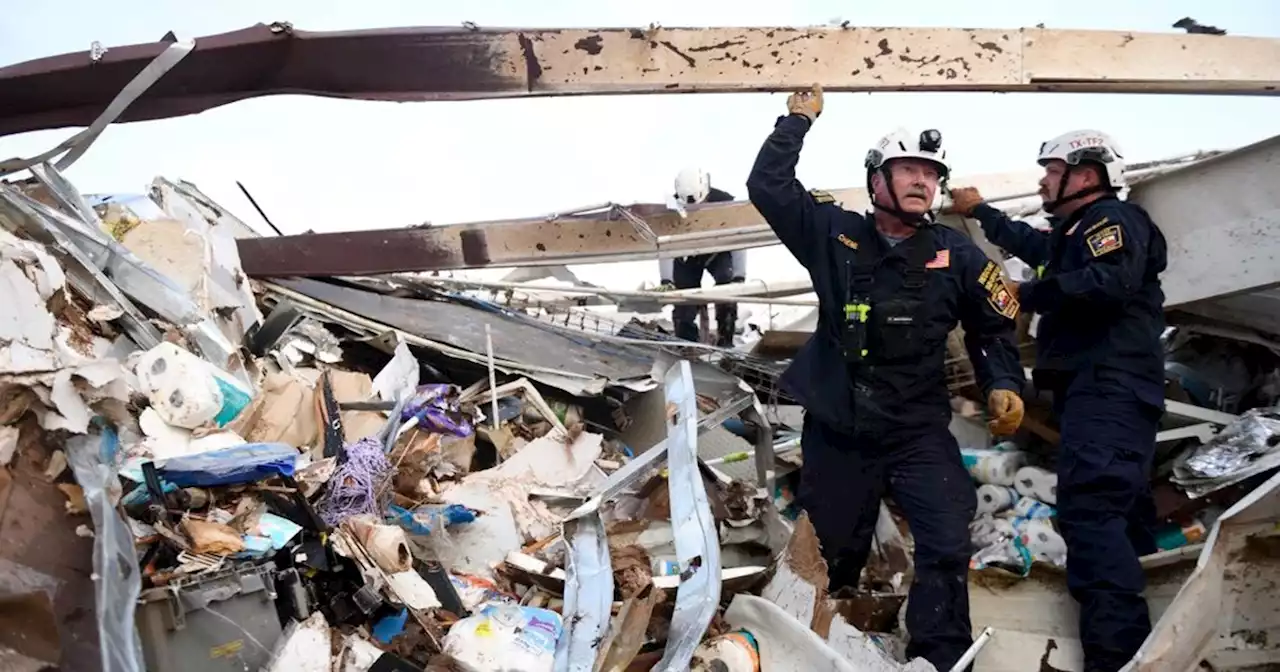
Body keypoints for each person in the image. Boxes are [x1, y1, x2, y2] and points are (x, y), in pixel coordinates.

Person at [746, 84, 1026, 671]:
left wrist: (1002, 380)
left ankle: (942, 658)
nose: (923, 181)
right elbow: (768, 188)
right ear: (877, 180)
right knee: (827, 557)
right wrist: (797, 120)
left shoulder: (959, 255)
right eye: (908, 169)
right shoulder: (835, 236)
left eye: (931, 172)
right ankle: (806, 649)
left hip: (916, 431)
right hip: (841, 429)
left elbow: (993, 328)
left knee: (948, 541)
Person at [947, 130, 1167, 672]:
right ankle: (1150, 645)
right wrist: (981, 213)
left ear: (1085, 175)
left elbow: (1105, 282)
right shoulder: (1076, 233)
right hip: (1099, 391)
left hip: (1109, 386)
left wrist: (1030, 293)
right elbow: (1039, 247)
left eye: (1051, 170)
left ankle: (1115, 658)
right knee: (1119, 516)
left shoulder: (1114, 221)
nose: (1043, 180)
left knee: (1090, 512)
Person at [657, 167, 747, 346]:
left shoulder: (725, 204)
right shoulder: (670, 208)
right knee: (683, 300)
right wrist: (667, 280)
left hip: (717, 250)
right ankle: (686, 346)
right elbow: (665, 244)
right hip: (686, 254)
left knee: (727, 288)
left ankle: (725, 341)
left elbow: (741, 239)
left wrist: (739, 276)